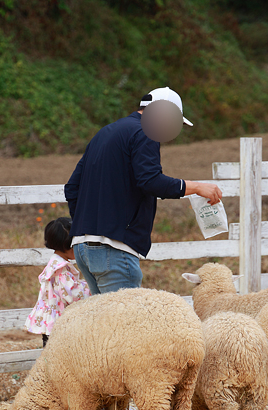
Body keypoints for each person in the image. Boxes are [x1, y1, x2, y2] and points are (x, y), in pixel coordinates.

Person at [64, 87, 222, 294]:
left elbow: (72, 188)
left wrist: (88, 228)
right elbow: (150, 181)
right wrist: (197, 187)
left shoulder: (105, 133)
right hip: (114, 249)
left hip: (83, 247)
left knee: (104, 324)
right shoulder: (146, 132)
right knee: (125, 324)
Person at [24, 217, 91, 348]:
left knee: (50, 352)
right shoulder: (60, 269)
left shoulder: (55, 263)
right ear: (67, 245)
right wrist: (90, 288)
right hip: (58, 323)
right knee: (59, 353)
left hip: (53, 321)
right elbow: (71, 294)